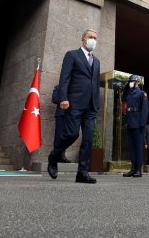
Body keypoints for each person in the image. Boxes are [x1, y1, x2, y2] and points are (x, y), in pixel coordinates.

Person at [47, 29, 100, 184]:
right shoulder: (72, 55)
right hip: (74, 102)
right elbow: (64, 78)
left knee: (88, 139)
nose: (93, 40)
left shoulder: (96, 61)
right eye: (90, 37)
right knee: (72, 134)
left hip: (91, 106)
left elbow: (95, 84)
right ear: (83, 39)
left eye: (95, 38)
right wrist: (63, 97)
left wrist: (96, 104)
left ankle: (82, 173)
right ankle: (54, 155)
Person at [122, 75, 149, 178]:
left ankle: (138, 169)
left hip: (138, 124)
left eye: (132, 81)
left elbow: (145, 109)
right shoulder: (129, 94)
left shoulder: (142, 93)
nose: (131, 83)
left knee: (138, 147)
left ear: (137, 83)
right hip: (130, 123)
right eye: (130, 81)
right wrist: (126, 86)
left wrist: (142, 124)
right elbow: (123, 98)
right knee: (132, 148)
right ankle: (132, 169)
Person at [50, 85, 71, 163]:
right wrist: (64, 99)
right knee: (59, 135)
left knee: (68, 135)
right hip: (61, 114)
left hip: (71, 116)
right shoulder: (59, 87)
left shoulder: (74, 87)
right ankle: (56, 155)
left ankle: (62, 155)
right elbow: (54, 99)